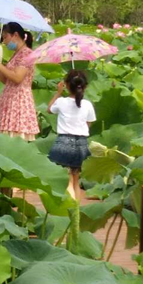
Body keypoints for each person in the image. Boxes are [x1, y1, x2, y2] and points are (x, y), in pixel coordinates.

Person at [0, 22, 39, 140]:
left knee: (15, 136)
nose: (4, 41)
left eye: (5, 37)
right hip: (9, 99)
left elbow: (17, 78)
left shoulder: (27, 53)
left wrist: (1, 67)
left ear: (15, 35)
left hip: (19, 100)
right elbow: (7, 80)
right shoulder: (16, 54)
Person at [47, 70, 96, 201]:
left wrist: (58, 92)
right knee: (76, 179)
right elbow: (89, 123)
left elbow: (49, 109)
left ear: (67, 85)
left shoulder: (61, 102)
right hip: (81, 143)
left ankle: (68, 208)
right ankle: (76, 212)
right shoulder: (87, 105)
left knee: (67, 178)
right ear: (85, 86)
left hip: (64, 142)